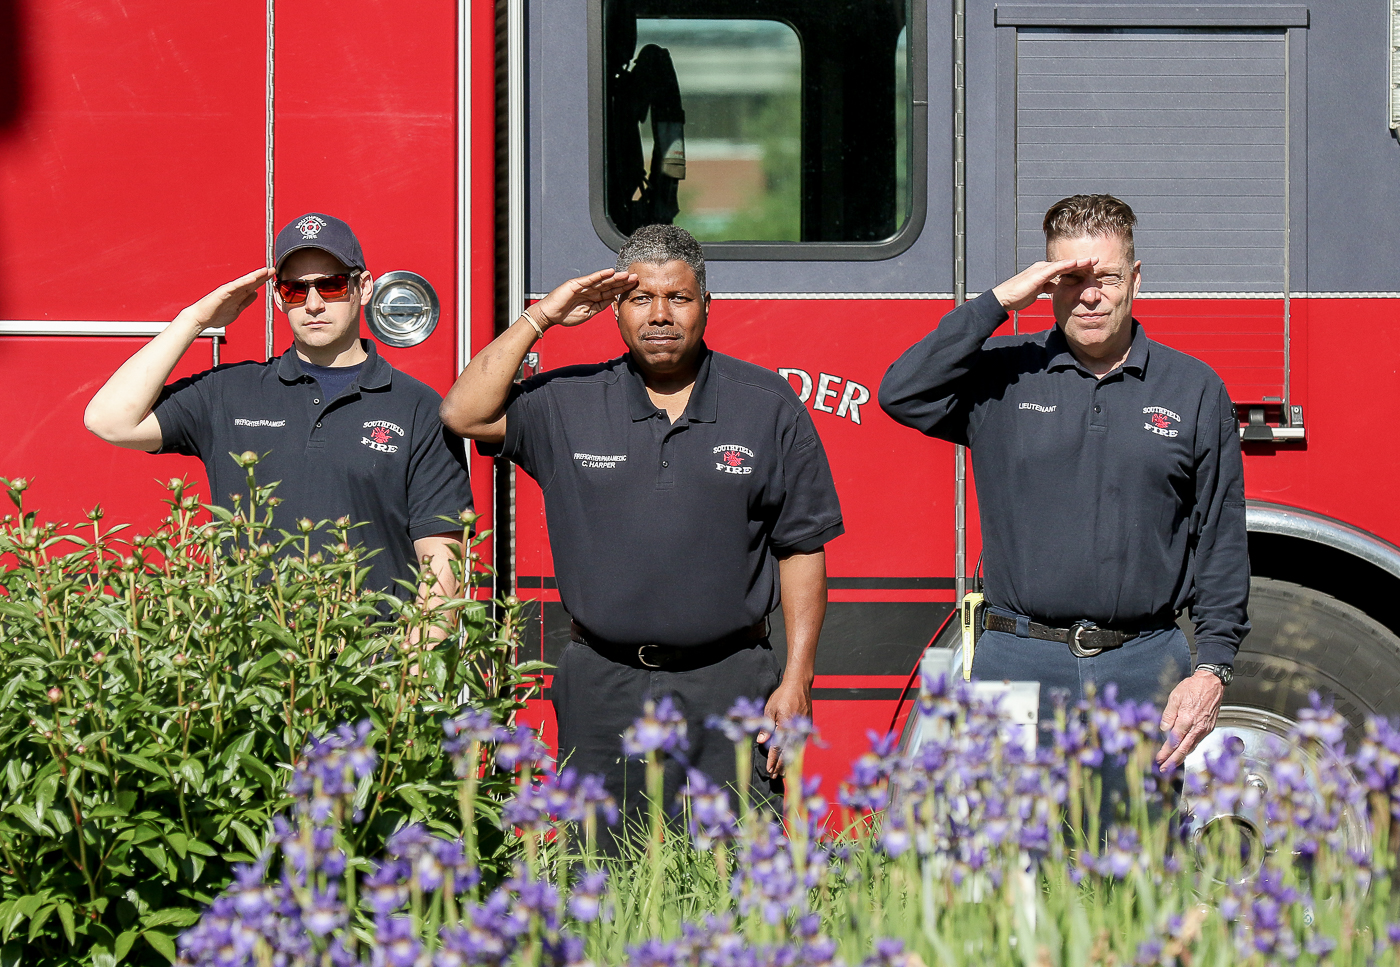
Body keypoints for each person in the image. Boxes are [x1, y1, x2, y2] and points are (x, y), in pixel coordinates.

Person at [439, 224, 844, 820]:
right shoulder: (568, 402)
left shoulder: (766, 406)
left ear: (707, 304)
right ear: (615, 310)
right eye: (640, 298)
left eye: (678, 298)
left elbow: (802, 547)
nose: (660, 315)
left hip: (731, 682)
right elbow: (462, 413)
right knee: (597, 863)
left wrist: (799, 677)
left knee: (734, 863)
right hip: (602, 684)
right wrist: (542, 316)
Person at [879, 194, 1249, 773]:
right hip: (1014, 659)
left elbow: (1220, 538)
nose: (1090, 296)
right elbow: (900, 392)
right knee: (1009, 834)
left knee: (1134, 833)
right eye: (1071, 279)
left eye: (1106, 278)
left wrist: (1213, 667)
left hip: (1144, 663)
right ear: (1047, 284)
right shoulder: (1002, 375)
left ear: (1135, 279)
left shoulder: (1194, 388)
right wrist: (998, 302)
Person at [84, 212, 473, 610]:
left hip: (372, 646)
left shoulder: (418, 407)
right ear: (277, 298)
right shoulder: (229, 392)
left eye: (332, 285)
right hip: (250, 645)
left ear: (364, 287)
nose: (314, 304)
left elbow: (443, 560)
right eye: (295, 290)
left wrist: (415, 649)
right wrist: (194, 320)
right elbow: (109, 421)